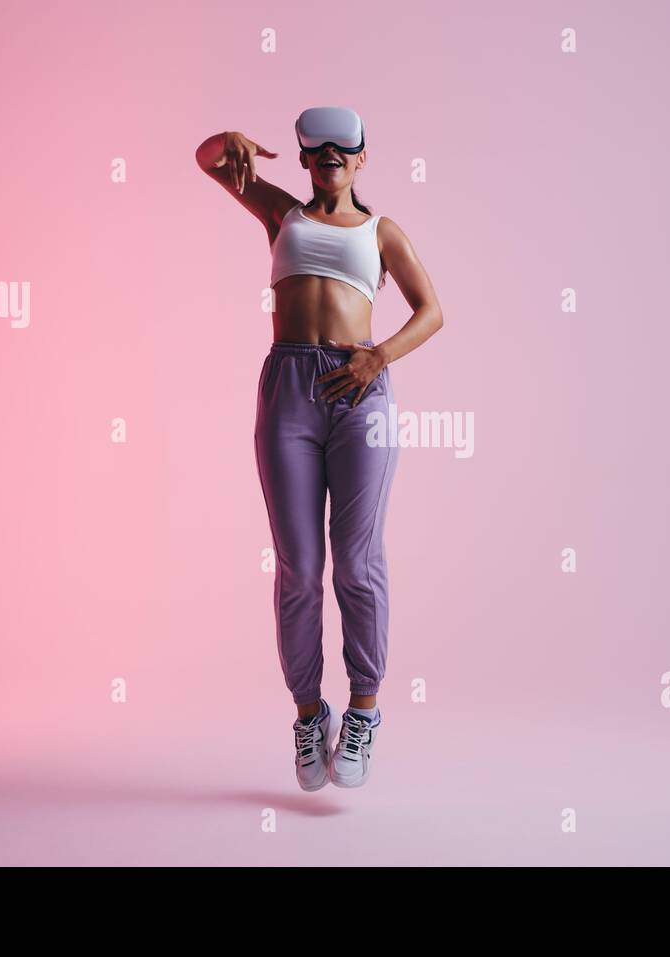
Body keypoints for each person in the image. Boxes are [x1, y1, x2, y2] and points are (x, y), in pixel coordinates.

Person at [195, 107, 443, 789]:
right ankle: (310, 712)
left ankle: (364, 707)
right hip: (289, 388)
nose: (331, 154)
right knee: (300, 568)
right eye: (317, 147)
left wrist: (378, 357)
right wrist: (227, 140)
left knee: (356, 564)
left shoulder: (380, 230)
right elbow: (209, 158)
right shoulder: (283, 215)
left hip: (359, 389)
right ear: (305, 160)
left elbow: (432, 309)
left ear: (361, 158)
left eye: (344, 147)